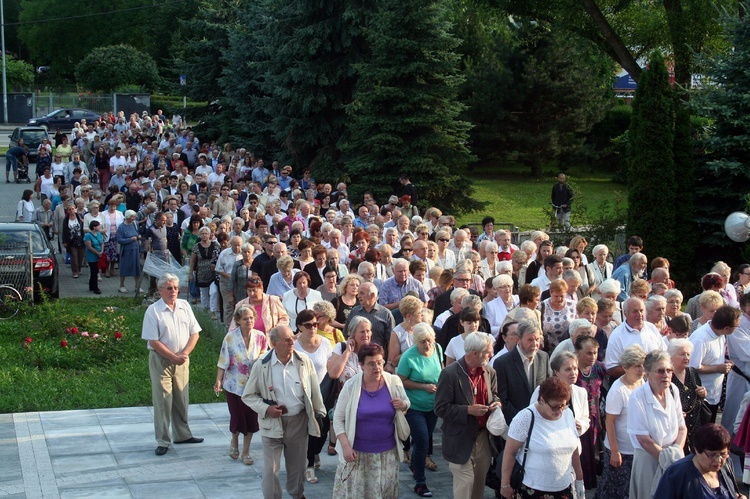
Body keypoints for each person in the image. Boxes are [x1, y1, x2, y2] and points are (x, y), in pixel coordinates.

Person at [242, 325, 326, 499]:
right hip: (272, 423)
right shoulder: (262, 365)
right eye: (286, 340)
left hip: (298, 421)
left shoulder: (303, 361)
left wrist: (319, 413)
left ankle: (297, 494)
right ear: (273, 343)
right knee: (270, 469)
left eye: (292, 338)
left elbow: (314, 390)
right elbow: (248, 396)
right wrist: (267, 409)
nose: (291, 342)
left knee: (298, 466)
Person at [331, 343, 410, 498]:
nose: (377, 367)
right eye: (371, 364)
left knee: (385, 493)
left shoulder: (393, 382)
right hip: (358, 454)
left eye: (380, 362)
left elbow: (406, 403)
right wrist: (346, 447)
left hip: (387, 454)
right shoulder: (351, 386)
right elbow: (338, 419)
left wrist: (403, 405)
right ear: (361, 365)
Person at [141, 273, 203, 456]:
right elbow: (153, 341)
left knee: (182, 398)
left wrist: (184, 354)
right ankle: (163, 440)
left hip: (182, 359)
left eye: (176, 288)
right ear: (160, 290)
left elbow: (195, 333)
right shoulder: (153, 311)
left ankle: (182, 435)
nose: (173, 291)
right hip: (161, 360)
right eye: (169, 288)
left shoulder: (184, 306)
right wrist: (171, 357)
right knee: (163, 400)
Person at [435, 332, 501, 499]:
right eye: (487, 352)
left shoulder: (489, 372)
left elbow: (495, 395)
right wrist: (468, 410)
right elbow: (440, 408)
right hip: (460, 438)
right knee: (465, 486)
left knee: (479, 486)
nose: (491, 354)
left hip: (483, 438)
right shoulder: (450, 374)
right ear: (474, 353)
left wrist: (497, 403)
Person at [499, 377, 584, 499]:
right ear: (542, 400)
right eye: (555, 406)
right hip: (533, 489)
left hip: (564, 487)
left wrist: (579, 479)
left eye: (563, 405)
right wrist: (505, 485)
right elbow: (510, 453)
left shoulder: (568, 414)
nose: (559, 411)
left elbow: (574, 448)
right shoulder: (525, 417)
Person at [627, 350, 687, 499]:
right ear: (647, 373)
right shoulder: (637, 396)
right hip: (649, 459)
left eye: (669, 370)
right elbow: (643, 439)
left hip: (673, 456)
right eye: (660, 371)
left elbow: (682, 427)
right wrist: (666, 459)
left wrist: (675, 456)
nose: (666, 375)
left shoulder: (673, 390)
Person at [214, 305, 268, 465]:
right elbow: (223, 360)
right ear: (238, 321)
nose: (249, 321)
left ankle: (246, 451)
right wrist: (218, 380)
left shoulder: (260, 336)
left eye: (251, 318)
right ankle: (234, 440)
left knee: (251, 418)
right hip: (233, 384)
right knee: (237, 416)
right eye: (245, 318)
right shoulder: (230, 338)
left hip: (253, 385)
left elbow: (264, 354)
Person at [397, 323, 443, 496]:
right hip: (414, 406)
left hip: (433, 406)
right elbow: (400, 380)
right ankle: (420, 482)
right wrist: (422, 387)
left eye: (430, 340)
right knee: (423, 441)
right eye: (423, 341)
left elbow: (442, 371)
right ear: (416, 341)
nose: (427, 345)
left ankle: (415, 464)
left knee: (422, 441)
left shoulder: (438, 349)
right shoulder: (408, 357)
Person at [596, 345, 646, 499]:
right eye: (637, 366)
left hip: (636, 447)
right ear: (625, 367)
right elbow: (609, 423)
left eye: (643, 365)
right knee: (614, 490)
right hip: (621, 449)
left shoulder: (641, 382)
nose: (641, 370)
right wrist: (615, 451)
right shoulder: (618, 390)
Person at [653, 423, 745, 499]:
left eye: (723, 454)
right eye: (712, 454)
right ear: (697, 450)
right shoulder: (677, 473)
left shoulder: (727, 465)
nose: (718, 460)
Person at [293, 309, 333, 483]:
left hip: (322, 392)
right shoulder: (293, 345)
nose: (313, 328)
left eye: (315, 324)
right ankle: (308, 465)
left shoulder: (325, 343)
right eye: (308, 325)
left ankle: (315, 453)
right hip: (300, 394)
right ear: (300, 327)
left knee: (322, 429)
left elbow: (331, 367)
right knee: (305, 431)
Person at [689, 305, 740, 423]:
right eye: (737, 326)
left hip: (714, 394)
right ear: (726, 328)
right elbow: (692, 367)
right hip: (702, 397)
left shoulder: (720, 334)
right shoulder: (701, 338)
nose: (738, 328)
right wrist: (718, 368)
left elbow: (711, 358)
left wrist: (723, 362)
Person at [494, 319, 550, 424]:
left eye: (537, 339)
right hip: (514, 422)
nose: (535, 344)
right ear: (518, 339)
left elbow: (547, 389)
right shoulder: (502, 363)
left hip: (540, 421)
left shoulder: (543, 357)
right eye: (530, 340)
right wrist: (522, 419)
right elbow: (502, 399)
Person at [574, 335, 607, 490]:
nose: (592, 356)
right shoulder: (573, 370)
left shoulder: (599, 368)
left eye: (595, 352)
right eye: (588, 353)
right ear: (578, 353)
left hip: (595, 417)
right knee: (582, 453)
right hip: (578, 417)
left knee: (595, 452)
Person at [604, 297, 665, 379]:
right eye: (635, 311)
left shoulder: (651, 328)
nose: (639, 315)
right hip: (630, 384)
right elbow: (611, 368)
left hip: (655, 380)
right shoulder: (617, 335)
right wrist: (639, 371)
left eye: (641, 310)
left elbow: (664, 353)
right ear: (625, 314)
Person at [669, 338, 708, 453]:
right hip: (678, 431)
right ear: (671, 357)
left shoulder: (692, 372)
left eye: (688, 354)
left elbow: (700, 396)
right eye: (682, 354)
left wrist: (703, 393)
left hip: (696, 427)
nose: (686, 357)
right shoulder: (667, 376)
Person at [540, 278, 577, 352]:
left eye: (562, 296)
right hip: (548, 349)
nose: (559, 299)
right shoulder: (542, 306)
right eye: (556, 296)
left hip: (568, 348)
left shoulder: (572, 305)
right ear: (551, 293)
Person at [116, 210, 142, 293]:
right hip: (126, 251)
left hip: (135, 249)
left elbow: (136, 233)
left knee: (137, 268)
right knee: (124, 268)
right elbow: (119, 240)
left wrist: (138, 236)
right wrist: (130, 239)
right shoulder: (121, 227)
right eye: (132, 217)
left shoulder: (134, 224)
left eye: (134, 217)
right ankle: (121, 285)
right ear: (127, 217)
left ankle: (137, 286)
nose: (133, 219)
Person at [62, 204, 85, 279]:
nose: (71, 211)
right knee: (74, 257)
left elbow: (84, 227)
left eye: (72, 209)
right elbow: (64, 231)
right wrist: (64, 241)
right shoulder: (66, 220)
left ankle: (79, 269)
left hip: (80, 240)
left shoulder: (79, 217)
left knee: (80, 256)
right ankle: (75, 272)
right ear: (67, 211)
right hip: (71, 241)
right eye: (69, 209)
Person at [83, 220, 103, 294]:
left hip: (99, 254)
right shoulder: (88, 235)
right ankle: (95, 287)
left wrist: (101, 251)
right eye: (98, 225)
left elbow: (102, 243)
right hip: (92, 256)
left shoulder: (99, 234)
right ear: (94, 227)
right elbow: (89, 246)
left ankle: (91, 286)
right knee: (94, 271)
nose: (99, 227)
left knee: (96, 271)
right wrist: (97, 253)